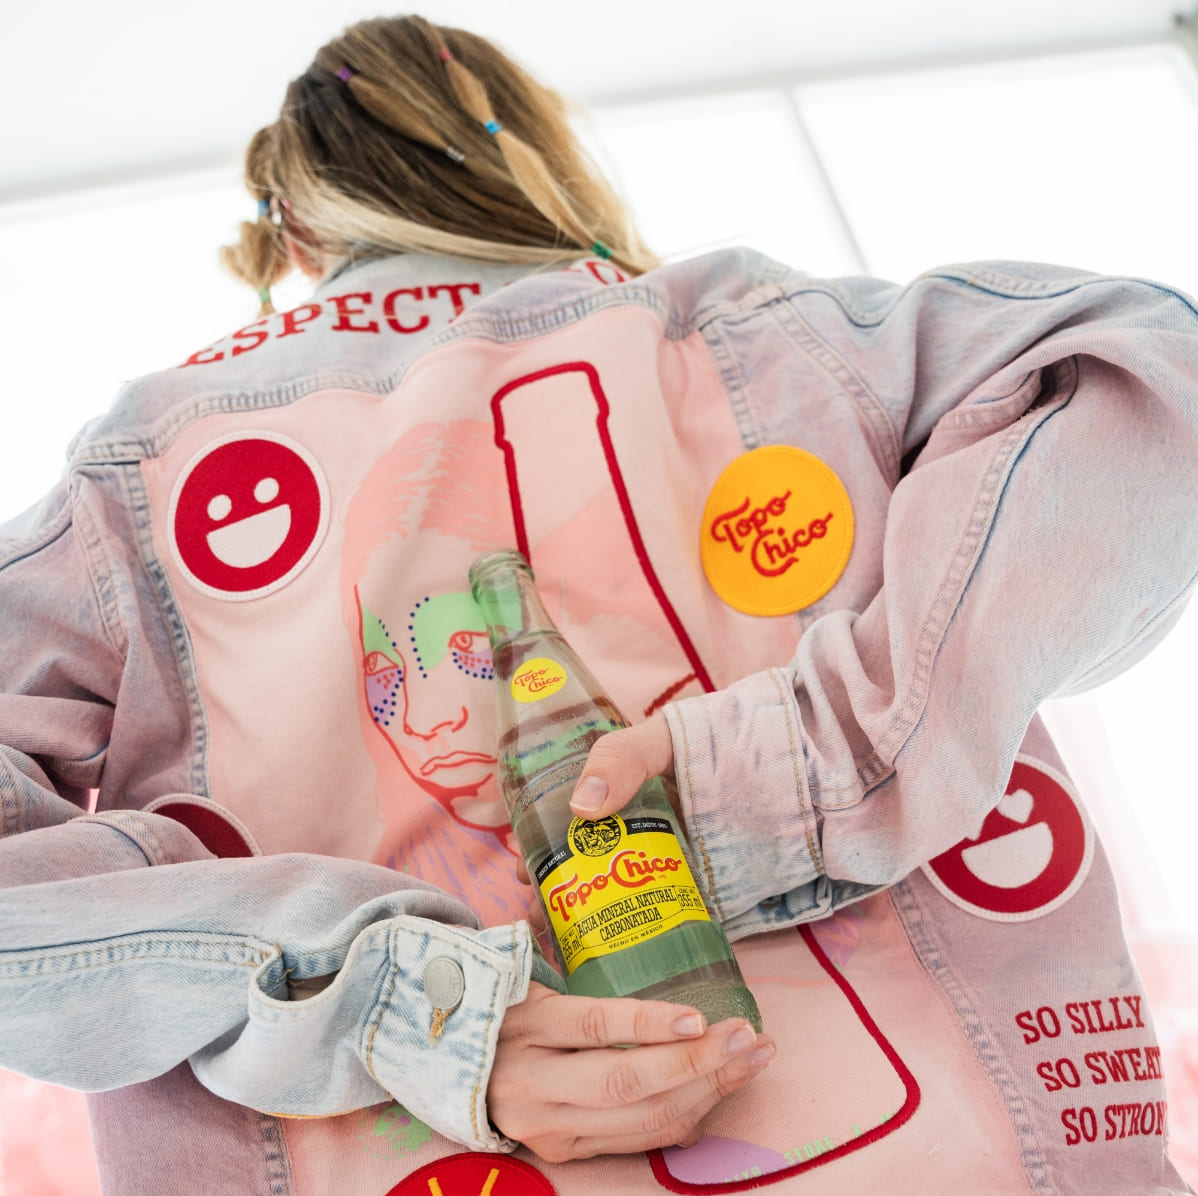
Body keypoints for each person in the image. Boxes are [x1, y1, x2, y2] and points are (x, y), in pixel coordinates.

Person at [1, 13, 1195, 1195]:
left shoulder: (145, 477)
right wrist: (819, 759)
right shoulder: (761, 332)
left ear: (296, 230)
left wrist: (391, 1000)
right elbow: (1149, 367)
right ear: (533, 156)